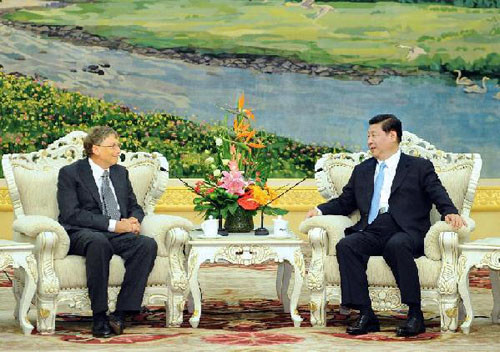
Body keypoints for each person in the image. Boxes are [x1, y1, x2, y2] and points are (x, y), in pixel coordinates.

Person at [306, 114, 465, 337]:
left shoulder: (419, 167)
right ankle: (366, 314)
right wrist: (320, 210)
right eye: (368, 136)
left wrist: (450, 212)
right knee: (347, 245)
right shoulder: (362, 170)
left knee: (396, 244)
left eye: (374, 135)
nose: (369, 141)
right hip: (372, 230)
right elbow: (345, 201)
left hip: (406, 232)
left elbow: (437, 193)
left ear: (392, 135)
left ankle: (415, 315)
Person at [57, 126, 158, 338]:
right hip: (82, 232)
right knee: (98, 243)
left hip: (116, 233)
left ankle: (121, 314)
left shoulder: (121, 173)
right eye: (113, 145)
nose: (118, 150)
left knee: (146, 244)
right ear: (95, 149)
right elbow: (71, 214)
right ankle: (99, 316)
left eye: (118, 145)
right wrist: (113, 225)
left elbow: (134, 206)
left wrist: (134, 220)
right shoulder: (70, 173)